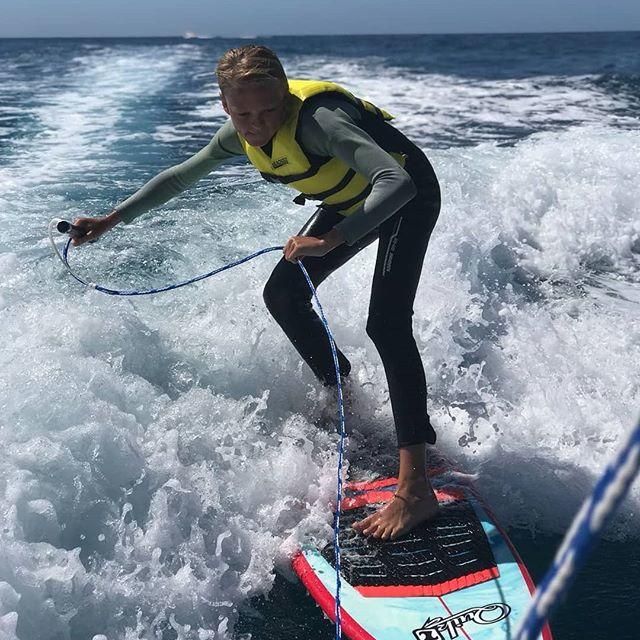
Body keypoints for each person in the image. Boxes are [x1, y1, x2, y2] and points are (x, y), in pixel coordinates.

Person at [72, 45, 442, 541]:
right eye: (243, 112)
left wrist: (331, 239)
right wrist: (111, 219)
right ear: (225, 105)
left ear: (287, 98)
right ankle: (344, 392)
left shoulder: (319, 123)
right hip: (348, 198)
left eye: (269, 109)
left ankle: (415, 490)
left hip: (405, 195)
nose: (257, 123)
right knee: (284, 296)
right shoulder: (236, 133)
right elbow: (180, 177)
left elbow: (395, 181)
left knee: (387, 324)